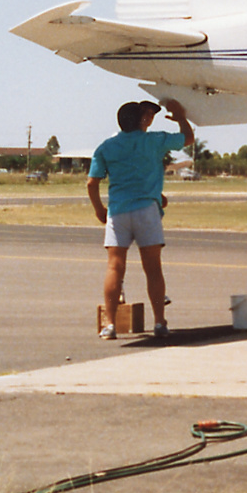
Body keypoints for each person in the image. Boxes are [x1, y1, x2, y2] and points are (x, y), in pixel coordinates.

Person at [88, 99, 192, 339]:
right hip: (147, 210)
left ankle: (110, 325)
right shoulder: (154, 141)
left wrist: (99, 210)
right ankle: (159, 322)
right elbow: (187, 138)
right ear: (141, 120)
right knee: (153, 268)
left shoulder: (106, 147)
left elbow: (92, 182)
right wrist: (180, 117)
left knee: (115, 267)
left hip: (118, 212)